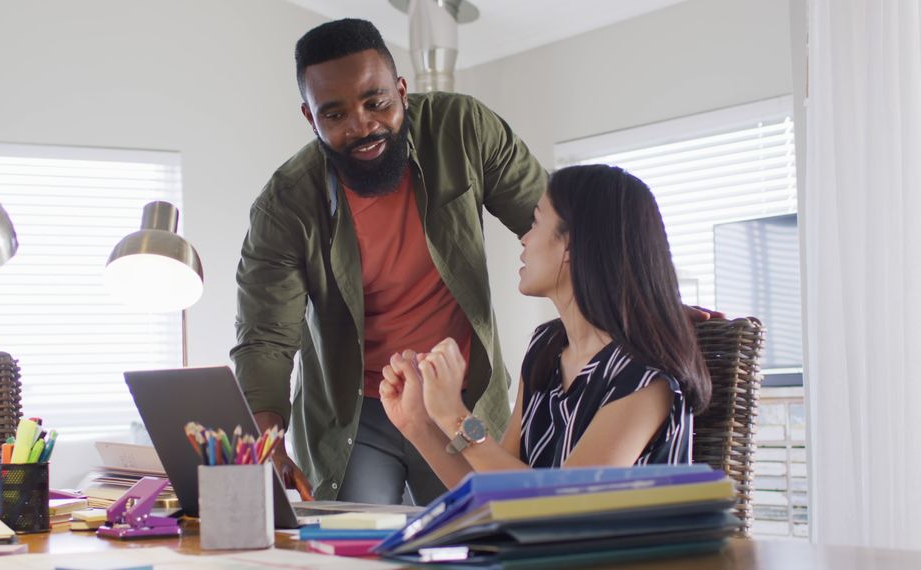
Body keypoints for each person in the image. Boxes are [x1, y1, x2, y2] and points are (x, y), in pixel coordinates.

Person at [231, 18, 547, 505]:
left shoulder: (462, 130)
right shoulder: (285, 205)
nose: (362, 126)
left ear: (401, 91)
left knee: (479, 539)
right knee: (357, 551)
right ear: (310, 119)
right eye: (335, 116)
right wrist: (265, 441)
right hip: (355, 416)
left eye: (376, 102)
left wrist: (636, 301)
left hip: (459, 398)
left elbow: (555, 222)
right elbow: (266, 339)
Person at [379, 164, 713, 488]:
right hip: (541, 546)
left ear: (570, 245)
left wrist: (454, 414)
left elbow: (565, 503)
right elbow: (496, 491)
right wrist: (419, 423)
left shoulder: (645, 376)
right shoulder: (546, 346)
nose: (524, 238)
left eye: (536, 222)